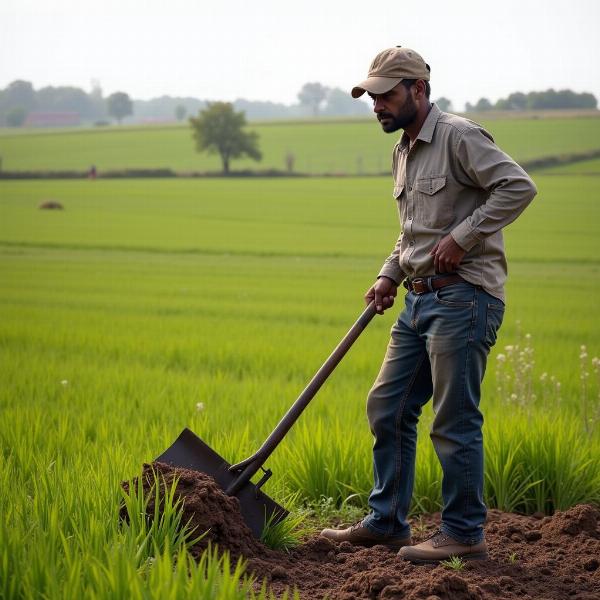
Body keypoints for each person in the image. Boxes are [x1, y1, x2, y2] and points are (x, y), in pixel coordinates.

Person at [320, 47, 537, 563]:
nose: (376, 104)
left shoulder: (460, 136)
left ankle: (464, 533)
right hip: (418, 301)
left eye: (386, 94)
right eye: (371, 96)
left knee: (453, 419)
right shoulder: (403, 150)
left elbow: (518, 187)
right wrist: (388, 274)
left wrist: (463, 237)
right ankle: (387, 522)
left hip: (465, 297)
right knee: (387, 406)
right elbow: (412, 234)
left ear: (419, 89)